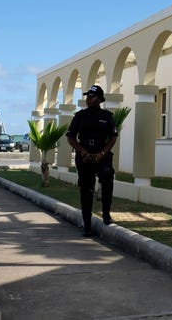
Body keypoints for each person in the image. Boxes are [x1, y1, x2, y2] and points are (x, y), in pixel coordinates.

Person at [66, 85, 118, 236]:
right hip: (85, 156)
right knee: (86, 189)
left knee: (107, 177)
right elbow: (70, 137)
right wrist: (82, 151)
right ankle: (87, 224)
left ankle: (106, 214)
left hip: (102, 155)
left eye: (91, 96)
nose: (88, 99)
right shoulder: (80, 116)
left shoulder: (107, 116)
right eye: (87, 96)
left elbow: (113, 137)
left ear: (100, 99)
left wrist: (102, 153)